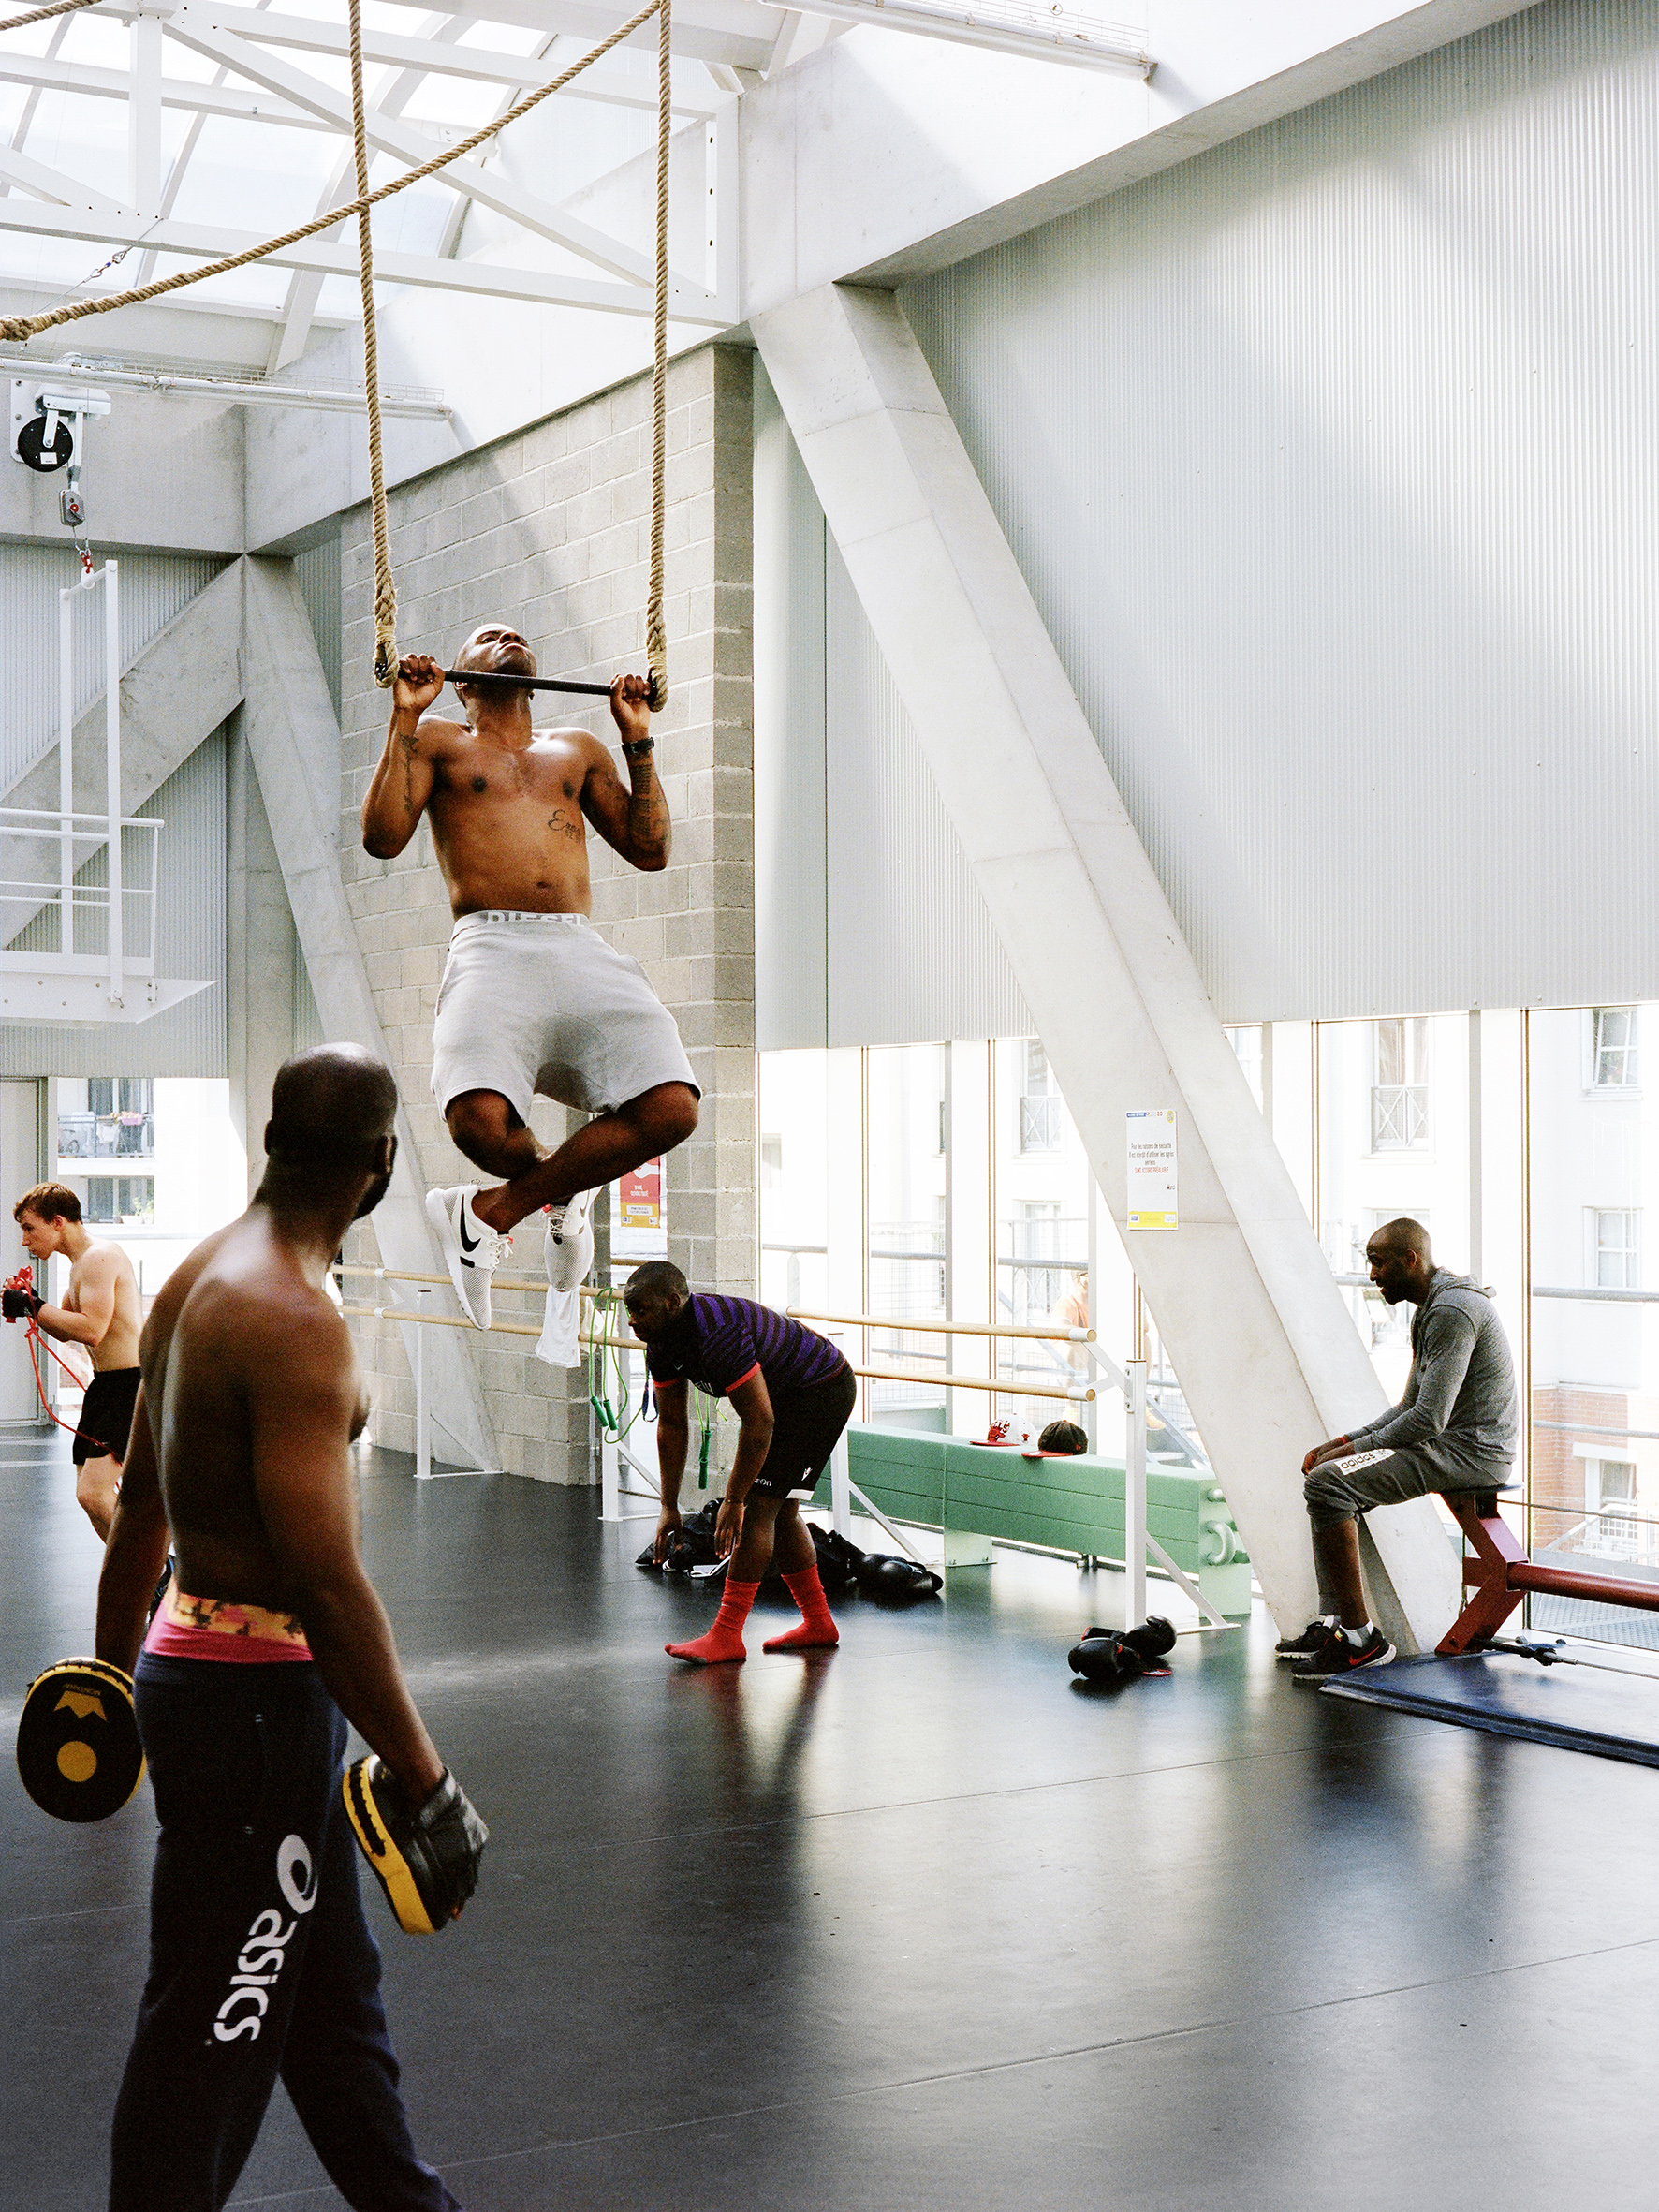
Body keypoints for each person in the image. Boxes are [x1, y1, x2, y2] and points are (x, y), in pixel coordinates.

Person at [94, 1045, 482, 2212]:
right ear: (378, 1166)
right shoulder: (294, 1318)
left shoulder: (196, 1277)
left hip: (211, 1687)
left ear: (271, 1140)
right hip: (258, 1711)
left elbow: (141, 1511)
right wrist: (426, 1778)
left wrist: (113, 1689)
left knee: (330, 2019)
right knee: (215, 2026)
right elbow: (325, 1582)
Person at [360, 627, 699, 1329]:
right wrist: (405, 715)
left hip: (577, 946)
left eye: (515, 633)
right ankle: (561, 1188)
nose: (508, 635)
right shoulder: (439, 743)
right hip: (492, 945)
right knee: (477, 1126)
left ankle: (490, 1211)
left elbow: (651, 851)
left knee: (673, 1107)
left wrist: (636, 737)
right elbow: (382, 838)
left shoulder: (577, 749)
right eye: (488, 636)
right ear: (464, 681)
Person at [1280, 1217, 1519, 1682]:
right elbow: (1409, 1403)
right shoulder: (1433, 1307)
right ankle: (1337, 1626)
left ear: (1410, 1259)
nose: (1371, 1275)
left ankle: (1360, 1641)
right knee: (1328, 1478)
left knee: (1330, 1482)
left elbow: (1429, 1419)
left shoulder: (1453, 1311)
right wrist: (1344, 1442)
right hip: (1450, 1443)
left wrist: (1347, 1455)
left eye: (1377, 1262)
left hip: (1472, 1453)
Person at [624, 1261, 858, 1665]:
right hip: (784, 1395)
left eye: (640, 1310)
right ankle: (819, 1623)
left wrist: (734, 1501)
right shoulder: (661, 1343)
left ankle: (728, 1635)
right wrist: (668, 1505)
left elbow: (760, 1421)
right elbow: (673, 1424)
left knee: (759, 1509)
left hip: (820, 1389)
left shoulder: (717, 1334)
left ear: (672, 1302)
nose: (632, 1321)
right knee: (780, 1513)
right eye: (629, 1311)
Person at [11, 1181, 141, 1541]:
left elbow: (92, 1330)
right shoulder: (80, 1264)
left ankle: (157, 1572)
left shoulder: (100, 1257)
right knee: (89, 1496)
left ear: (57, 1222)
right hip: (106, 1387)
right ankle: (145, 1577)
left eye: (29, 1228)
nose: (25, 1240)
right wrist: (30, 1303)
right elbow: (65, 1329)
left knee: (93, 1493)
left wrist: (33, 1306)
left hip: (129, 1384)